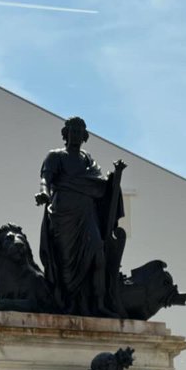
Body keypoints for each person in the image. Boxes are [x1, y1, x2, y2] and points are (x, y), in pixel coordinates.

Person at [36, 115, 125, 316]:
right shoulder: (55, 156)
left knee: (98, 256)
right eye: (72, 130)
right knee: (66, 265)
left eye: (79, 131)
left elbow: (100, 185)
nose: (75, 134)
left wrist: (115, 176)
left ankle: (100, 304)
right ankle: (65, 303)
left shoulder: (88, 159)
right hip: (63, 216)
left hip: (87, 214)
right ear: (65, 134)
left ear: (84, 136)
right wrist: (44, 193)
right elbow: (45, 179)